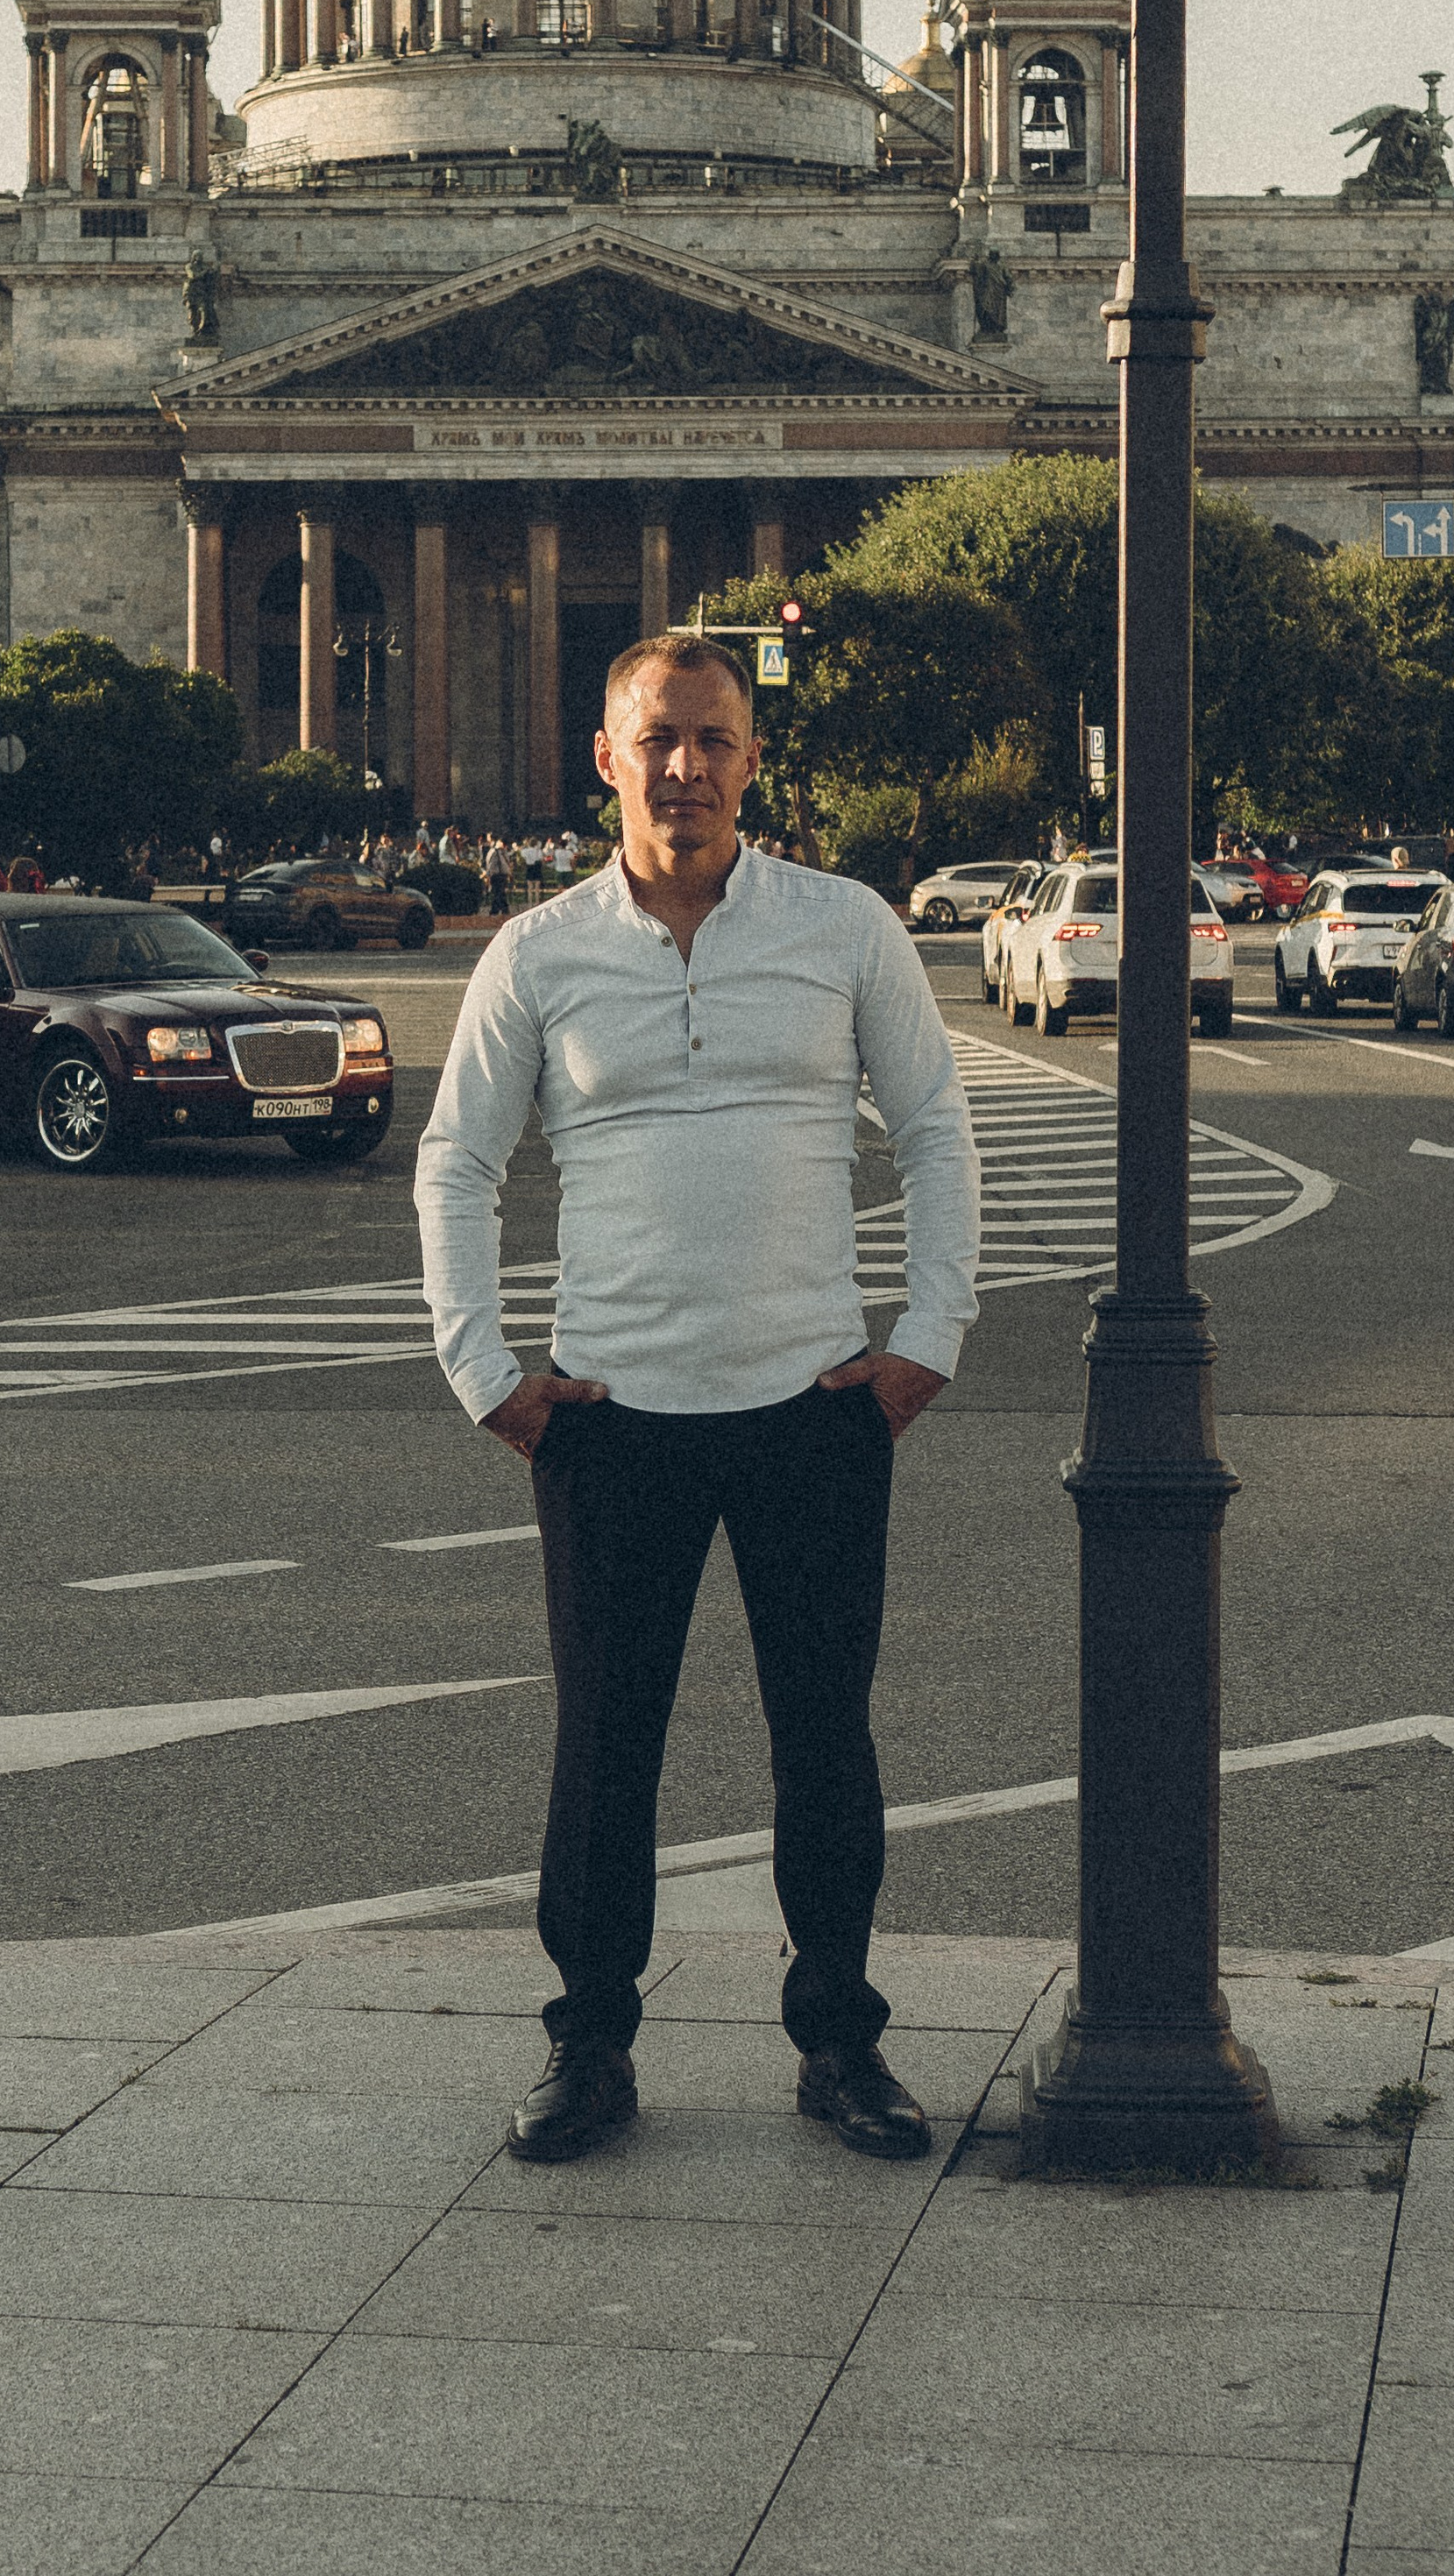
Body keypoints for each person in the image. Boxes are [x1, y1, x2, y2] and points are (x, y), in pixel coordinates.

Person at [416, 634, 982, 2168]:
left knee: (827, 1744)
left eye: (715, 739)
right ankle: (588, 2048)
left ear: (752, 758)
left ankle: (842, 2042)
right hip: (613, 1417)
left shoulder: (844, 926)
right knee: (608, 1748)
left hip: (814, 1405)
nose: (687, 767)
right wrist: (488, 1374)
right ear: (604, 756)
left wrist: (925, 1338)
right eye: (658, 738)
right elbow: (455, 1164)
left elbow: (935, 1128)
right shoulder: (536, 952)